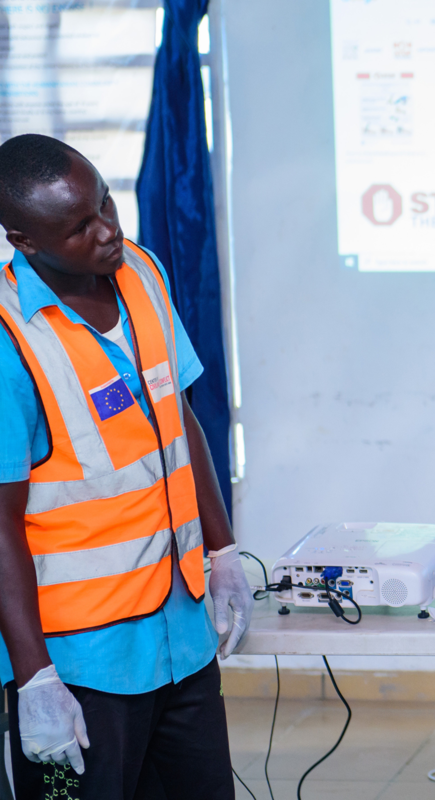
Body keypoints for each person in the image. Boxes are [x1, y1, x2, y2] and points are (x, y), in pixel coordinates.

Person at [0, 134, 253, 799]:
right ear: (24, 240)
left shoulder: (141, 272)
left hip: (181, 637)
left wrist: (222, 549)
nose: (107, 230)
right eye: (79, 227)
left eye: (105, 203)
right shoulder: (9, 342)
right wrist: (33, 680)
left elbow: (181, 421)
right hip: (79, 666)